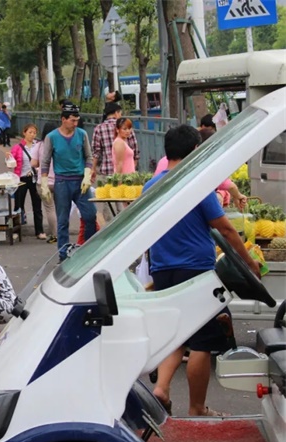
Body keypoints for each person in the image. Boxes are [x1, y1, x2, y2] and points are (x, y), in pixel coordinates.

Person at [146, 124, 261, 417]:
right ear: (194, 151)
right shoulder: (194, 184)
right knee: (202, 342)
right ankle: (197, 408)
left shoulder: (151, 186)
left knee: (177, 334)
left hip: (163, 269)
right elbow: (225, 228)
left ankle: (161, 388)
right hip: (196, 272)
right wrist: (248, 262)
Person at [39, 103, 97, 261]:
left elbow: (89, 156)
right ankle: (63, 255)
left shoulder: (82, 134)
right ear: (63, 119)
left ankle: (88, 250)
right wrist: (44, 183)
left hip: (80, 181)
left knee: (90, 215)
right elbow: (45, 162)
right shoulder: (52, 137)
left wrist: (87, 174)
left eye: (77, 120)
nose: (75, 123)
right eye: (72, 120)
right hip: (62, 182)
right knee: (63, 220)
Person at [92, 103, 139, 223]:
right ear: (117, 113)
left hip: (107, 172)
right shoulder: (125, 129)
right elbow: (135, 152)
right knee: (125, 210)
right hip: (121, 177)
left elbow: (96, 152)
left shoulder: (99, 128)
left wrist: (93, 169)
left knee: (111, 210)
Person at [10, 123, 45, 240]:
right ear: (24, 133)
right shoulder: (17, 147)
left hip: (35, 178)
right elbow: (11, 161)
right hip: (21, 178)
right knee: (18, 205)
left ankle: (39, 231)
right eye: (30, 132)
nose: (32, 135)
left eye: (34, 133)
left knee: (37, 205)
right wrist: (8, 157)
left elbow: (43, 160)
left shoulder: (38, 146)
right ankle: (16, 230)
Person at [30, 122, 58, 244]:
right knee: (61, 208)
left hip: (44, 182)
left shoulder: (39, 145)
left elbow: (33, 163)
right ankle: (62, 233)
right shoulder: (59, 145)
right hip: (59, 181)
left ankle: (55, 234)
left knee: (49, 209)